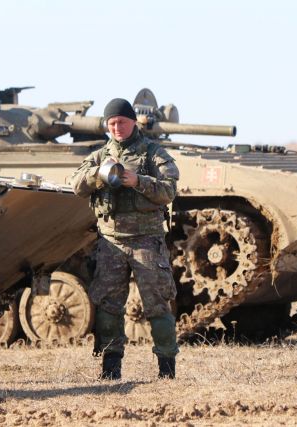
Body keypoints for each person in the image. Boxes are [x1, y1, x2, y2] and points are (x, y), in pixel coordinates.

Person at [71, 98, 180, 380]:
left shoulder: (153, 153)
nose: (117, 127)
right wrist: (98, 174)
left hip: (146, 241)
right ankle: (110, 370)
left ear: (133, 121)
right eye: (112, 123)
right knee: (108, 306)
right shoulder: (100, 156)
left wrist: (138, 181)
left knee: (157, 304)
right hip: (111, 242)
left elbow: (169, 191)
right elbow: (76, 185)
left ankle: (167, 370)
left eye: (122, 121)